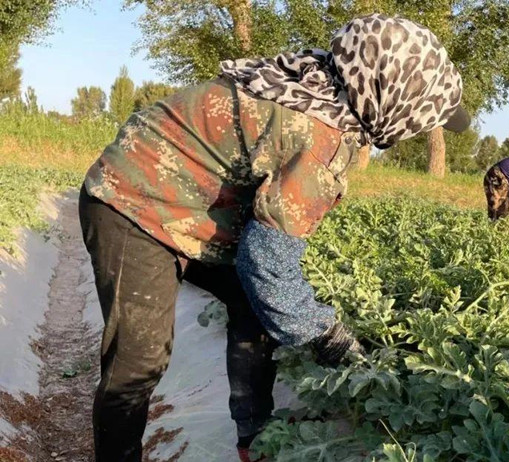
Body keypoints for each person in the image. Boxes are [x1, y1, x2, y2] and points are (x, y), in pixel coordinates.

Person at [78, 14, 470, 462]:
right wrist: (330, 338)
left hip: (192, 205)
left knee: (254, 305)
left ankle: (255, 441)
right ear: (398, 98)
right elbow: (266, 264)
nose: (416, 129)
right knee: (138, 362)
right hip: (131, 200)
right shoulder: (320, 135)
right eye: (421, 117)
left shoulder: (317, 83)